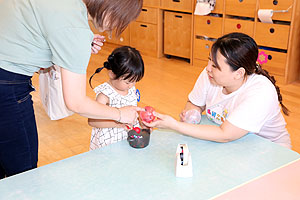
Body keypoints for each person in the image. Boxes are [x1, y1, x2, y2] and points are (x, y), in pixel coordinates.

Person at [0, 0, 143, 178]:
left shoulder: (68, 9)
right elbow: (76, 102)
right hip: (7, 84)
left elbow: (29, 34)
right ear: (110, 8)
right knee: (22, 172)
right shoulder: (75, 27)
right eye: (120, 19)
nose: (114, 27)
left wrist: (72, 45)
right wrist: (120, 114)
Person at [143, 32, 291, 148]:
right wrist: (192, 113)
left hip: (268, 149)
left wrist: (174, 125)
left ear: (238, 73)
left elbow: (225, 134)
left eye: (215, 66)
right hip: (235, 144)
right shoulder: (210, 74)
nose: (208, 68)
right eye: (209, 60)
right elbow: (195, 102)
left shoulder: (260, 92)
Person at [88, 46, 144, 149]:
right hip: (108, 141)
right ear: (112, 74)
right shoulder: (105, 94)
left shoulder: (131, 88)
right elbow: (93, 121)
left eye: (135, 81)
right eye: (128, 82)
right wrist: (119, 124)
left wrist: (141, 118)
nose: (131, 85)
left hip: (127, 136)